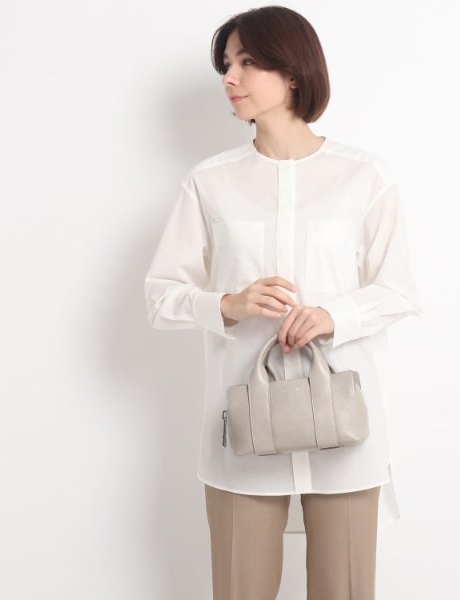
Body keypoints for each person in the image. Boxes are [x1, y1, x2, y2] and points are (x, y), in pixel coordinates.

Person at [144, 6, 423, 599]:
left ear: (293, 72)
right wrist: (230, 303)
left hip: (346, 423)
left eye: (246, 62)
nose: (229, 77)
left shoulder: (365, 177)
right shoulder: (209, 182)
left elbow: (398, 289)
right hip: (240, 428)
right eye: (226, 64)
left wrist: (332, 317)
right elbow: (161, 295)